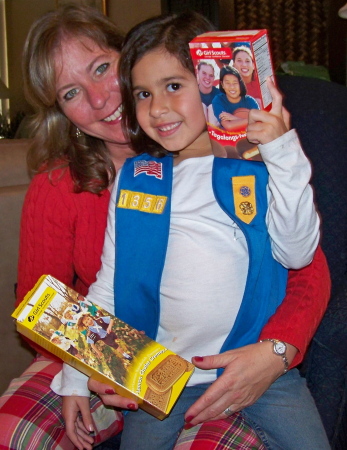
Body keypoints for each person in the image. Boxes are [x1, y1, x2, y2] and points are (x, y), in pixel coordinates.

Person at [0, 6, 330, 450]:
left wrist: (282, 154)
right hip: (146, 366)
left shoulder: (246, 162)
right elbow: (86, 293)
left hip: (251, 363)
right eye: (71, 92)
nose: (100, 98)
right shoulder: (111, 181)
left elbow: (301, 260)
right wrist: (90, 371)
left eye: (102, 69)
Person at [212, 66, 260, 131]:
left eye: (235, 83)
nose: (232, 87)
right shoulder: (218, 100)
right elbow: (229, 126)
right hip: (229, 138)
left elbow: (258, 122)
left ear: (240, 84)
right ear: (222, 84)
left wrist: (234, 118)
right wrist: (250, 120)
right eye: (227, 83)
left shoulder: (250, 101)